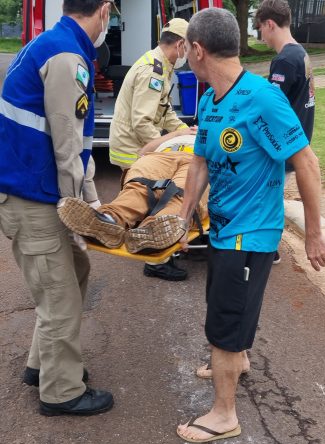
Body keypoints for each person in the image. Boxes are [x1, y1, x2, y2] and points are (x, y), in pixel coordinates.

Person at [176, 8, 325, 444]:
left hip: (252, 232)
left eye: (187, 46)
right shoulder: (209, 99)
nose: (185, 53)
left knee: (225, 320)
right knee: (224, 311)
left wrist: (315, 233)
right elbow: (201, 161)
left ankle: (224, 414)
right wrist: (183, 217)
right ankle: (236, 358)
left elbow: (306, 161)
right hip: (223, 230)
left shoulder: (263, 98)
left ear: (199, 50)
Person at [0, 0, 118, 416]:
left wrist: (93, 200)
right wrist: (79, 214)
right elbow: (67, 147)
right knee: (60, 299)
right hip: (33, 199)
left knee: (76, 273)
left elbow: (78, 147)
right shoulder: (68, 57)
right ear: (103, 10)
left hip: (33, 193)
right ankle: (61, 391)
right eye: (113, 12)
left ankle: (41, 365)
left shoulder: (53, 44)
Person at [109, 17, 191, 281]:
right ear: (179, 44)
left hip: (137, 144)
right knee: (153, 195)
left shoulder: (162, 67)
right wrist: (165, 149)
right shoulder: (153, 71)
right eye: (187, 48)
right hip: (133, 147)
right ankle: (155, 261)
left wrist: (186, 132)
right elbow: (142, 121)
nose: (186, 54)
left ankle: (141, 239)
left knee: (147, 195)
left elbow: (165, 113)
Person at [57, 132, 208, 255]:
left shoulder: (218, 134)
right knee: (138, 186)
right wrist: (177, 133)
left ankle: (155, 229)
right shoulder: (181, 132)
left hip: (200, 161)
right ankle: (109, 220)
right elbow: (143, 152)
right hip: (161, 156)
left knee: (182, 194)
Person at [255, 0, 316, 265]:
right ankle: (270, 245)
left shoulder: (284, 60)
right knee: (275, 195)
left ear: (270, 24)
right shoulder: (300, 52)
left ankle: (269, 249)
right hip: (298, 137)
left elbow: (271, 107)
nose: (261, 36)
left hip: (283, 144)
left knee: (269, 196)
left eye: (260, 29)